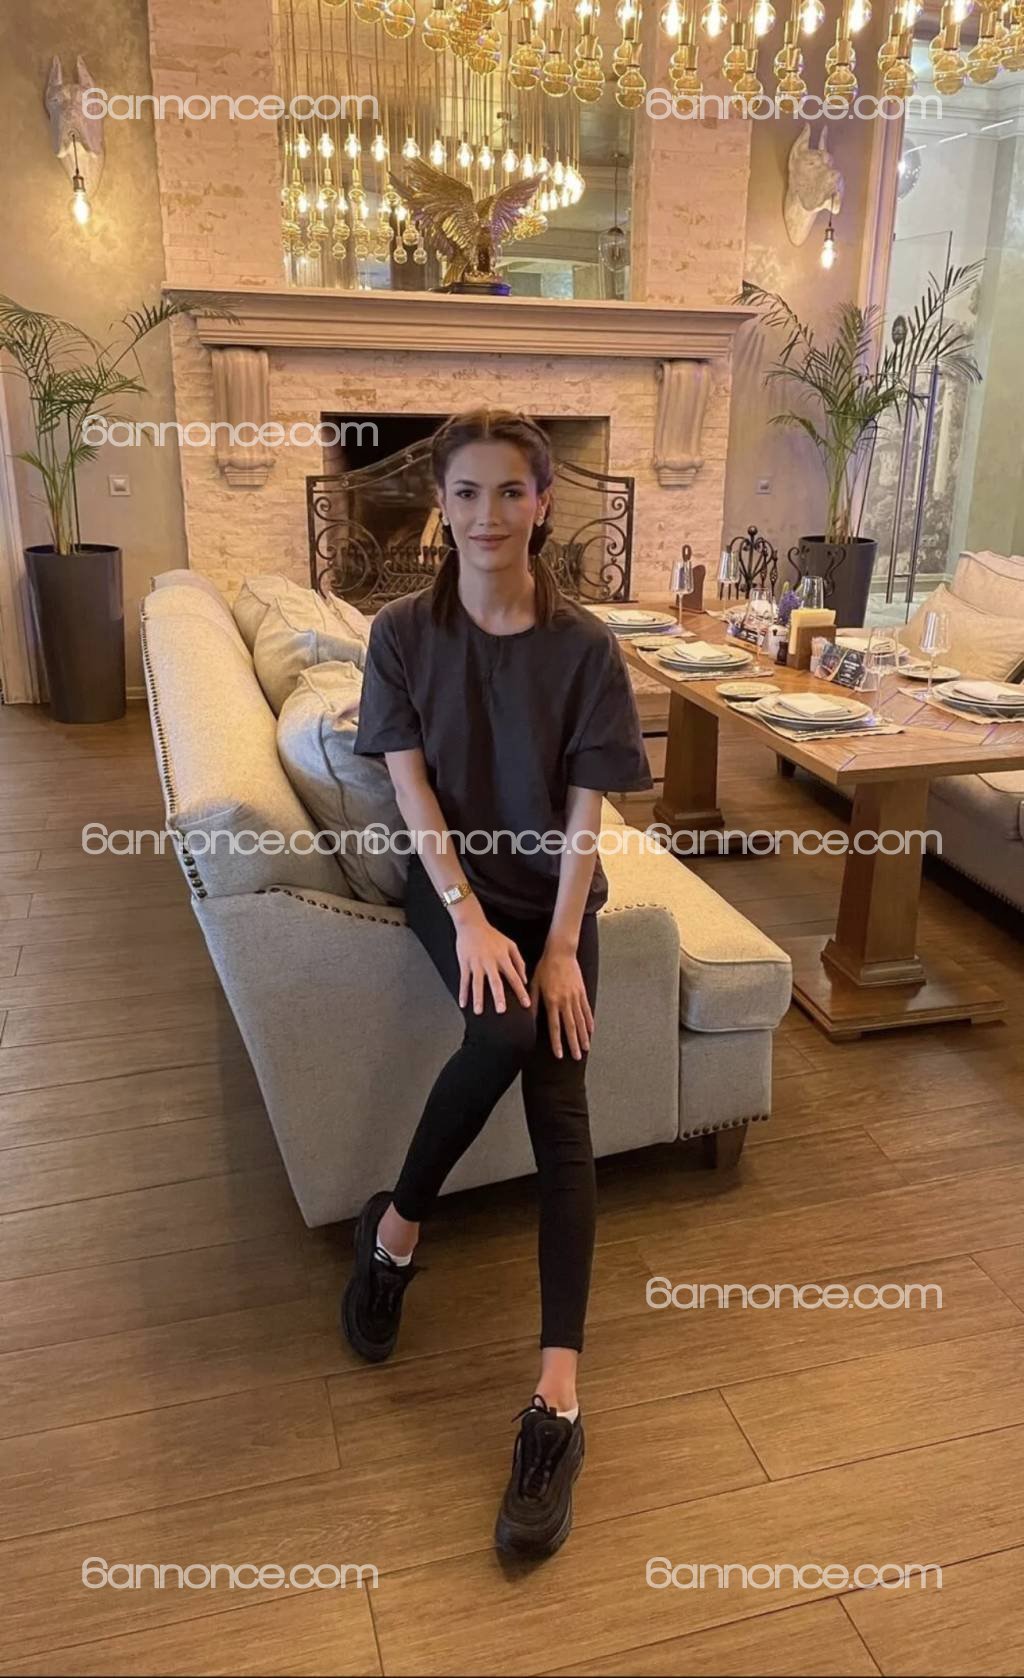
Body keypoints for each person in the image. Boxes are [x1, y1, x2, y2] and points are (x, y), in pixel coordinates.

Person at [342, 406, 653, 1558]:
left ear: (544, 503)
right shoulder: (399, 635)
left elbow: (584, 811)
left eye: (509, 492)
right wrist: (469, 916)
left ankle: (556, 1401)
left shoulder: (586, 649)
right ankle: (395, 1237)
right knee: (505, 1031)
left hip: (552, 900)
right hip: (452, 887)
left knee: (561, 1103)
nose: (486, 514)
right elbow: (411, 790)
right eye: (465, 492)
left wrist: (561, 942)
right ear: (440, 504)